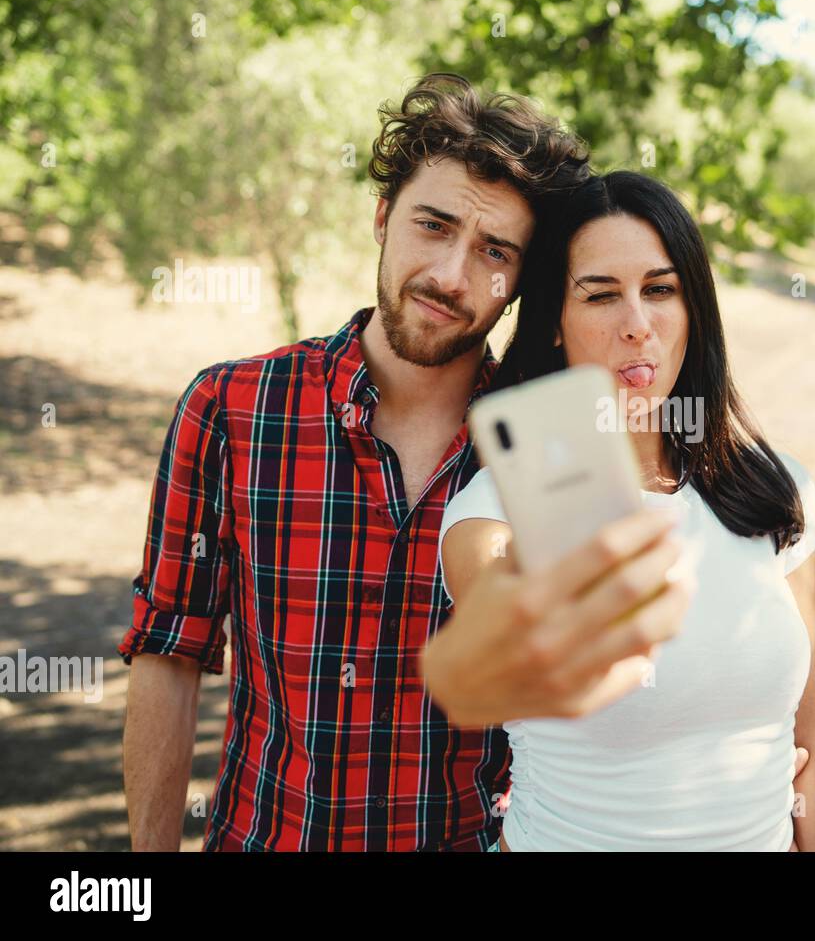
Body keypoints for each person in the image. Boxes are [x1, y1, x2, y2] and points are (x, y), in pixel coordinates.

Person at [118, 73, 690, 851]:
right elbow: (168, 654)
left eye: (495, 251)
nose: (453, 276)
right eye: (433, 224)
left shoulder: (552, 452)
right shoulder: (231, 409)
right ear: (383, 216)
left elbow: (618, 677)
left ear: (521, 281)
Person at [438, 171, 815, 851]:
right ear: (556, 327)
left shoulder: (778, 493)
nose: (637, 325)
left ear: (694, 309)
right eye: (600, 296)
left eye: (661, 290)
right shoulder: (497, 512)